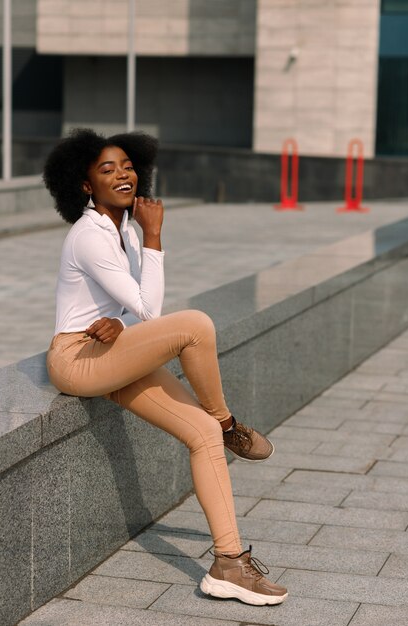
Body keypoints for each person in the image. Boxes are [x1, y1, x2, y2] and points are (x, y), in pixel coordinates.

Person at [43, 128, 288, 607]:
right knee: (195, 324)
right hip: (75, 361)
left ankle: (229, 564)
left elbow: (132, 309)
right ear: (85, 185)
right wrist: (155, 236)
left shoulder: (125, 230)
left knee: (198, 433)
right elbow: (152, 313)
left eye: (128, 166)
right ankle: (228, 423)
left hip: (105, 351)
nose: (123, 174)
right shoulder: (89, 234)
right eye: (106, 169)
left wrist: (116, 318)